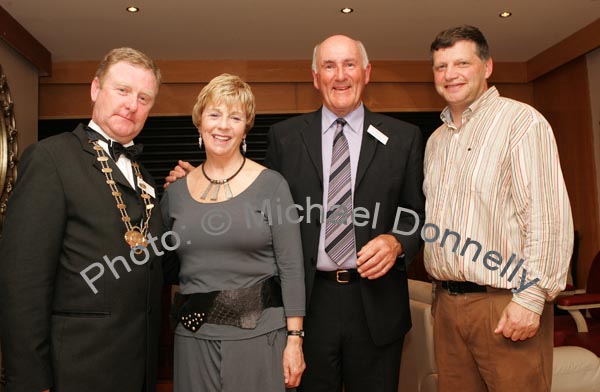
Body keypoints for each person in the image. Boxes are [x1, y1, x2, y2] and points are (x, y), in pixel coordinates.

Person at [166, 35, 425, 392]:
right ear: (315, 76)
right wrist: (197, 182)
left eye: (349, 64)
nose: (340, 75)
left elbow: (415, 214)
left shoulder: (403, 137)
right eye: (329, 66)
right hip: (307, 303)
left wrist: (397, 241)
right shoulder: (284, 138)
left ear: (366, 72)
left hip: (377, 304)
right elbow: (249, 193)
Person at [0, 48, 165, 392]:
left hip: (138, 368)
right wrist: (30, 381)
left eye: (143, 97)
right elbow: (22, 283)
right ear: (95, 90)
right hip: (75, 369)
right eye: (122, 90)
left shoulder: (145, 177)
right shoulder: (51, 159)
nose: (132, 104)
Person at [424, 25, 574, 391]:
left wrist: (531, 298)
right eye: (441, 67)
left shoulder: (521, 122)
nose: (450, 74)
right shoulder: (436, 140)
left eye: (462, 63)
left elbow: (546, 217)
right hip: (447, 306)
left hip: (505, 304)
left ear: (487, 66)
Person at [161, 73, 305, 392]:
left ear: (245, 128)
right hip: (192, 339)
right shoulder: (176, 193)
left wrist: (295, 340)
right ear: (199, 122)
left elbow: (292, 268)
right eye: (214, 114)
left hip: (259, 338)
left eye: (235, 117)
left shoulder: (272, 186)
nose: (223, 126)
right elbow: (162, 264)